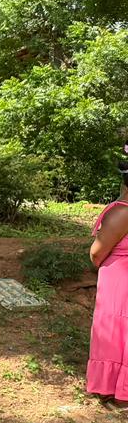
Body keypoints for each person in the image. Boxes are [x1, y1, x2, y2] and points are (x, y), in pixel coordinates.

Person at [86, 154, 128, 405]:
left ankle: (112, 389)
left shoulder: (122, 212)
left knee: (115, 329)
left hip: (119, 281)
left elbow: (97, 253)